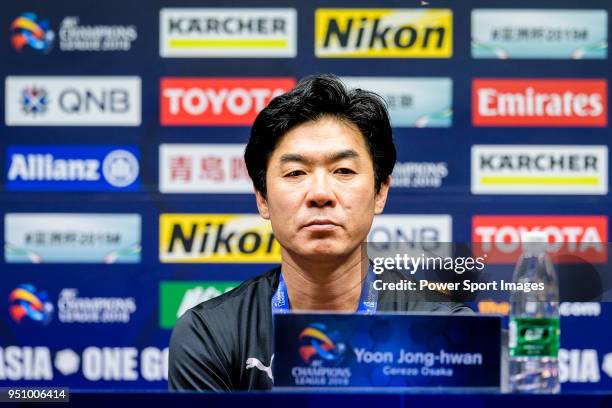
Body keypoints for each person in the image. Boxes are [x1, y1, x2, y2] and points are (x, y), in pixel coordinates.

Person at [168, 74, 471, 391]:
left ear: (380, 191)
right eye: (296, 172)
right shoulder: (211, 334)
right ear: (262, 197)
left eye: (343, 171)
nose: (320, 193)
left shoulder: (445, 329)